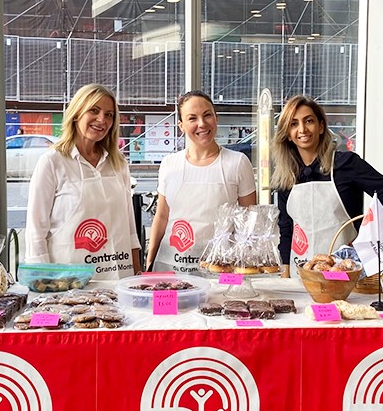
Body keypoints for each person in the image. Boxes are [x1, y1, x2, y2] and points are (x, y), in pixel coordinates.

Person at [271, 95, 383, 278]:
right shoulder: (286, 177)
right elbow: (286, 228)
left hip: (344, 274)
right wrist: (285, 270)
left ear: (321, 126)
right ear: (287, 134)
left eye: (308, 121)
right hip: (300, 274)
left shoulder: (346, 164)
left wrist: (367, 242)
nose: (302, 129)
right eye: (294, 124)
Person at [25, 83, 141, 279]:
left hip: (118, 276)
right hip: (70, 280)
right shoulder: (53, 161)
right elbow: (36, 230)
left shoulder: (118, 162)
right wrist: (44, 281)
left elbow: (129, 227)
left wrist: (138, 275)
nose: (102, 119)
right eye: (94, 110)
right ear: (77, 114)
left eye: (109, 114)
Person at [145, 90, 257, 273]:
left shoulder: (237, 162)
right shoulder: (169, 164)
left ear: (216, 118)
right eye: (192, 118)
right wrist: (149, 263)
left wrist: (243, 270)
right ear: (181, 125)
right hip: (170, 264)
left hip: (219, 266)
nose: (202, 124)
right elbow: (162, 216)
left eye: (207, 115)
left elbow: (248, 222)